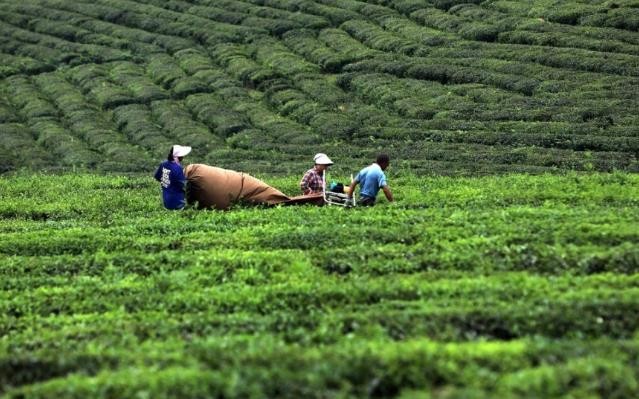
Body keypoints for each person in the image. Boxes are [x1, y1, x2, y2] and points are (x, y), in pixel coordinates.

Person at [154, 144, 191, 210]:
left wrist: (167, 183)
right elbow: (184, 186)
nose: (183, 157)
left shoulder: (163, 164)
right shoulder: (178, 168)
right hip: (177, 203)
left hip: (166, 202)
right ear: (176, 157)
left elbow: (157, 177)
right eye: (181, 156)